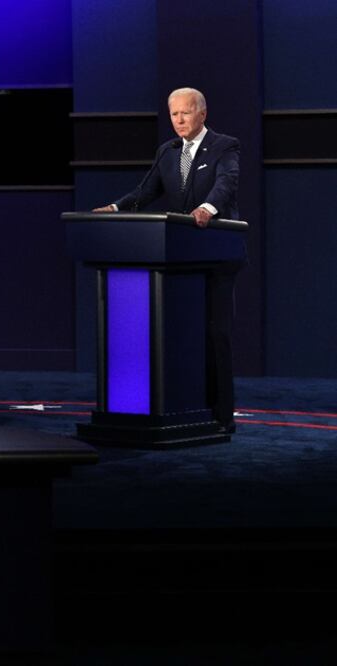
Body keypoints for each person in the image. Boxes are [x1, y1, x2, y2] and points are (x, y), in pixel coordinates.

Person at [94, 87, 241, 433]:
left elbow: (227, 183)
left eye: (185, 112)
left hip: (216, 255)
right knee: (179, 336)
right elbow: (146, 191)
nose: (179, 120)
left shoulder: (225, 146)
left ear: (202, 113)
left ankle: (222, 416)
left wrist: (207, 208)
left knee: (215, 334)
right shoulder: (168, 151)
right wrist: (115, 208)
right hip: (178, 257)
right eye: (174, 114)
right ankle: (184, 408)